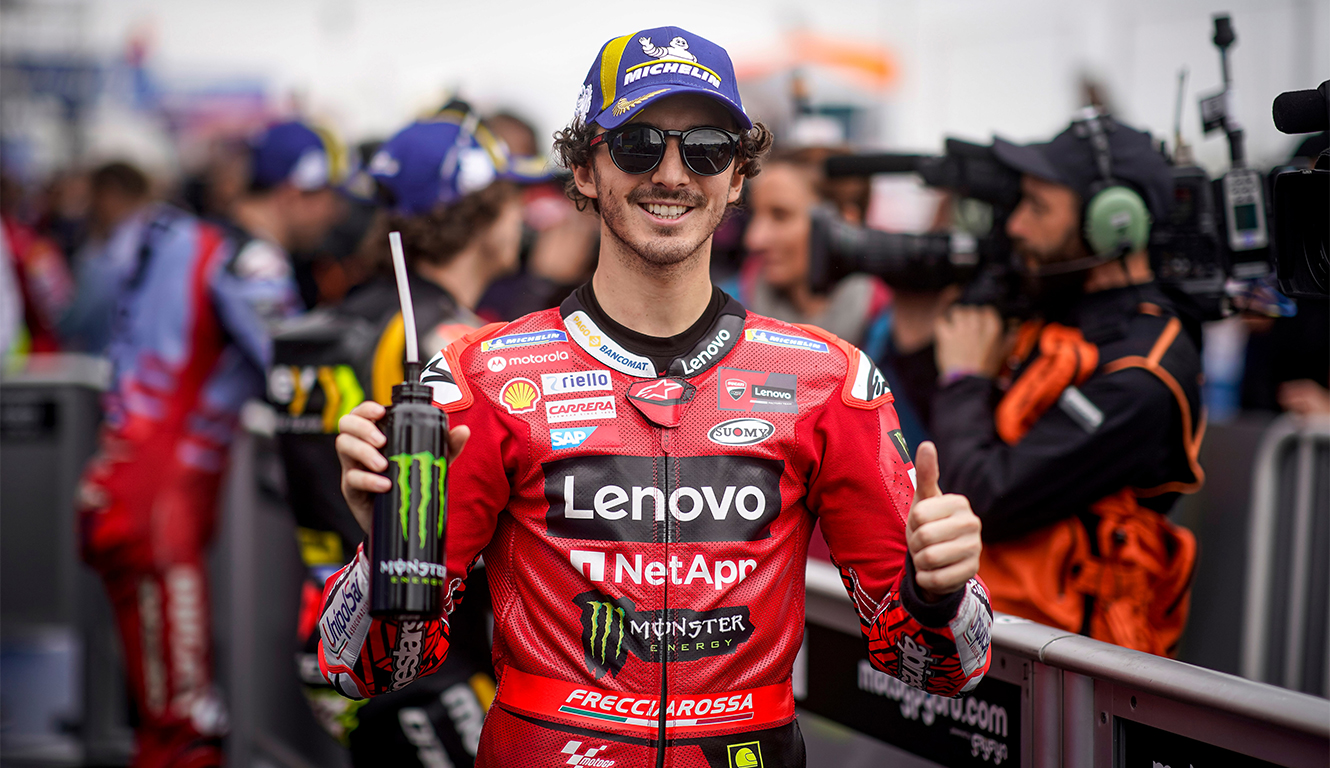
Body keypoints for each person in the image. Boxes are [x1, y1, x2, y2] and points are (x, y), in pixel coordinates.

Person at [319, 27, 991, 766]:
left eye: (705, 148)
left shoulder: (829, 379)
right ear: (583, 169)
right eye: (637, 144)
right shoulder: (478, 375)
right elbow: (363, 669)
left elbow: (942, 671)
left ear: (737, 177)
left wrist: (940, 591)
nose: (672, 173)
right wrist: (382, 551)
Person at [269, 106, 544, 765]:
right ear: (477, 215)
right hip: (413, 653)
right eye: (512, 200)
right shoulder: (447, 340)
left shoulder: (332, 319)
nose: (525, 219)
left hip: (337, 628)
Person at [75, 120, 342, 768]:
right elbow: (296, 375)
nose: (335, 213)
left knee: (166, 715)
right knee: (186, 731)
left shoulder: (180, 234)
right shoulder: (250, 261)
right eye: (329, 194)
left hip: (123, 479)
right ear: (295, 190)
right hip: (157, 509)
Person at [931, 111, 1202, 657]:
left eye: (1039, 207)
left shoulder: (1141, 375)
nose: (1015, 227)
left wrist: (963, 378)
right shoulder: (1057, 315)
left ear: (1112, 224)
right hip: (1003, 637)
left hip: (1079, 673)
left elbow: (983, 495)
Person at [736, 147, 890, 350]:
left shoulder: (898, 327)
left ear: (845, 224)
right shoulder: (723, 314)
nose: (754, 239)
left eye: (780, 215)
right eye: (755, 214)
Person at [60, 161, 155, 353]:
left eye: (92, 197)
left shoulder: (110, 255)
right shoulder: (172, 234)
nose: (88, 207)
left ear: (109, 193)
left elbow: (73, 321)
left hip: (113, 366)